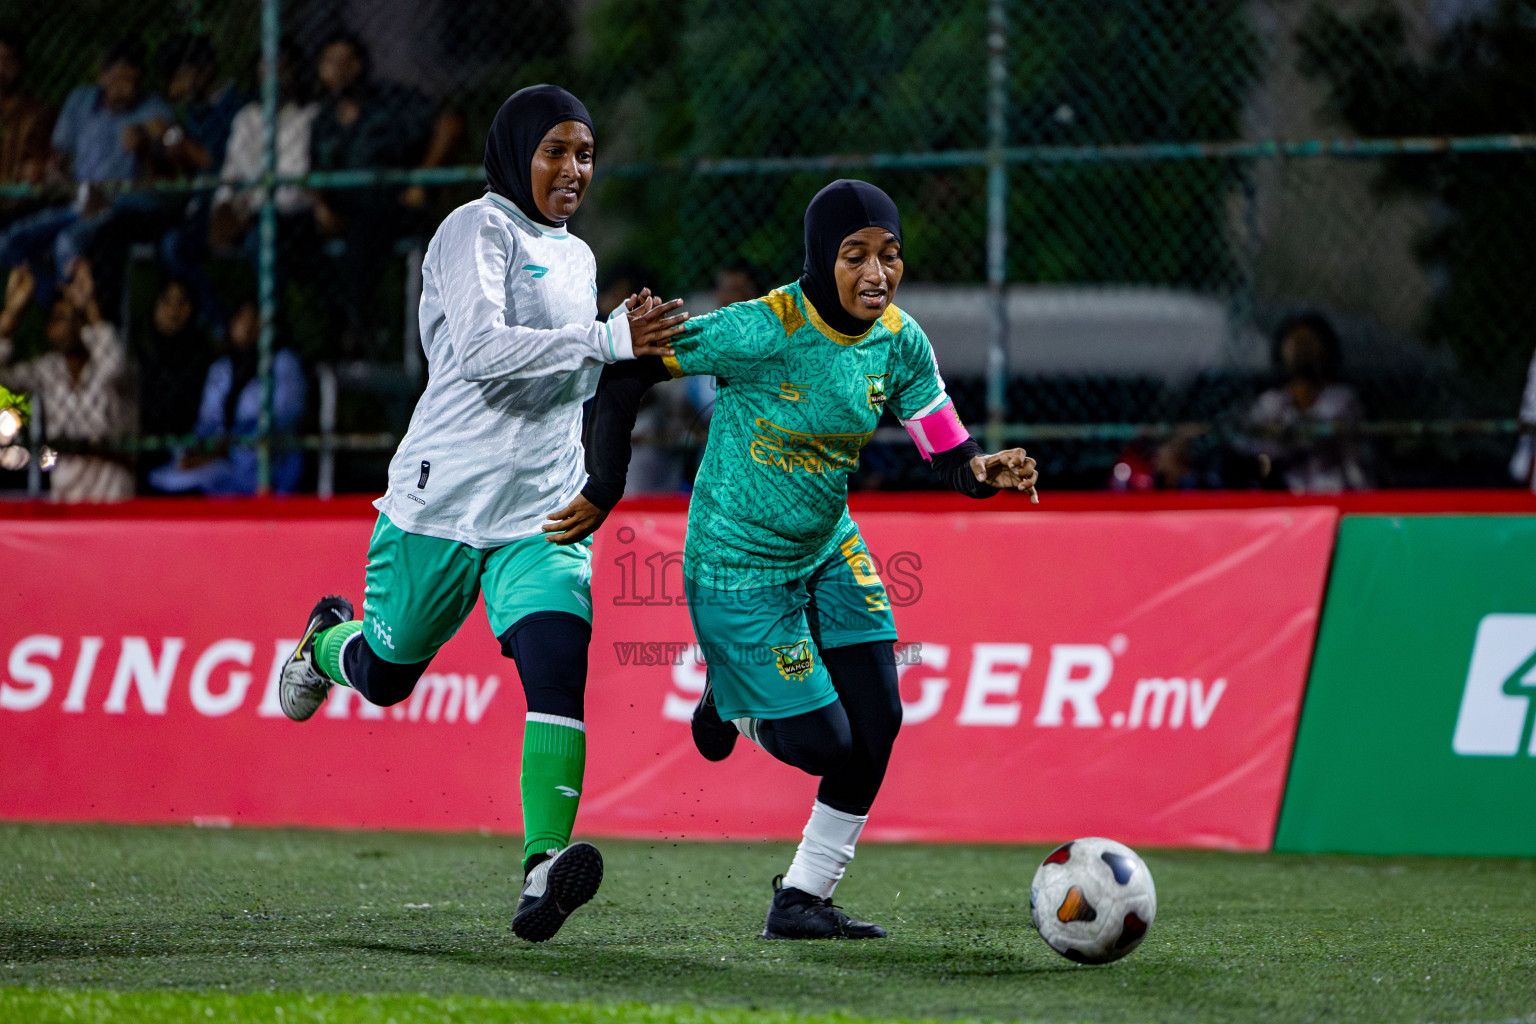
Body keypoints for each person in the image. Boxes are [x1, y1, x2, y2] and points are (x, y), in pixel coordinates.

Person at [565, 179, 1038, 939]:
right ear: (822, 258)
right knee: (826, 744)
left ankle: (801, 899)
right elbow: (624, 380)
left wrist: (981, 473)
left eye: (890, 256)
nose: (877, 274)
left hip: (827, 551)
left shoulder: (900, 341)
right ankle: (731, 701)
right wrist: (602, 487)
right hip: (735, 567)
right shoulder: (765, 325)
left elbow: (946, 449)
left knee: (879, 719)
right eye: (855, 257)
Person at [276, 85, 687, 942]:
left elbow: (570, 376)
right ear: (515, 152)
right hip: (443, 502)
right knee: (386, 674)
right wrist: (607, 340)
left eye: (584, 153)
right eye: (555, 151)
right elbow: (480, 353)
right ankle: (323, 643)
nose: (573, 169)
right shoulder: (473, 229)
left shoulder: (576, 258)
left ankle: (544, 867)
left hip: (540, 510)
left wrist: (628, 352)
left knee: (558, 667)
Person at [307, 31, 466, 352]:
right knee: (294, 238)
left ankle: (364, 328)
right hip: (341, 213)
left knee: (365, 232)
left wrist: (421, 179)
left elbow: (451, 124)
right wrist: (321, 205)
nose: (339, 70)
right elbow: (313, 174)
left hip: (389, 207)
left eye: (346, 61)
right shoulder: (322, 119)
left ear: (361, 65)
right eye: (329, 63)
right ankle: (325, 333)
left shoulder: (392, 104)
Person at [0, 37, 173, 310]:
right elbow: (59, 156)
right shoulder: (81, 100)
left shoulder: (154, 110)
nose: (126, 90)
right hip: (83, 198)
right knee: (9, 241)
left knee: (68, 242)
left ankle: (84, 321)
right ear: (103, 74)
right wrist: (50, 170)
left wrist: (144, 150)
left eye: (134, 81)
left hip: (130, 203)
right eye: (119, 80)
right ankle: (57, 304)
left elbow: (167, 179)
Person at [0, 259, 133, 501]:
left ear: (83, 324)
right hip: (65, 495)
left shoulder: (110, 363)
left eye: (63, 318)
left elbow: (114, 365)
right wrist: (12, 313)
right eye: (54, 319)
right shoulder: (47, 369)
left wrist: (89, 305)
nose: (53, 326)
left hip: (111, 491)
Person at [147, 298, 304, 495]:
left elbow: (279, 420)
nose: (246, 327)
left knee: (208, 479)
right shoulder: (222, 368)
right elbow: (208, 422)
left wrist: (224, 450)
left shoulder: (284, 363)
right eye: (241, 319)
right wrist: (194, 450)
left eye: (254, 319)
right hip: (217, 460)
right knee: (163, 479)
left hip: (263, 466)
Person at [1240, 311, 1370, 493]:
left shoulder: (1341, 399)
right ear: (1281, 349)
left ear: (1325, 349)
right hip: (1285, 494)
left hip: (1336, 492)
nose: (1301, 349)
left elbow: (1335, 439)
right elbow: (1257, 450)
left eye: (1308, 342)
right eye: (1293, 342)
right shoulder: (1270, 403)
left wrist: (1295, 432)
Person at [136, 277, 211, 441]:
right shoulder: (140, 353)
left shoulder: (203, 358)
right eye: (166, 301)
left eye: (182, 302)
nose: (173, 311)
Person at [0, 31, 54, 213]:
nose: (1, 68)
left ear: (21, 66)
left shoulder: (38, 113)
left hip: (15, 204)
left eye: (8, 61)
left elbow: (36, 170)